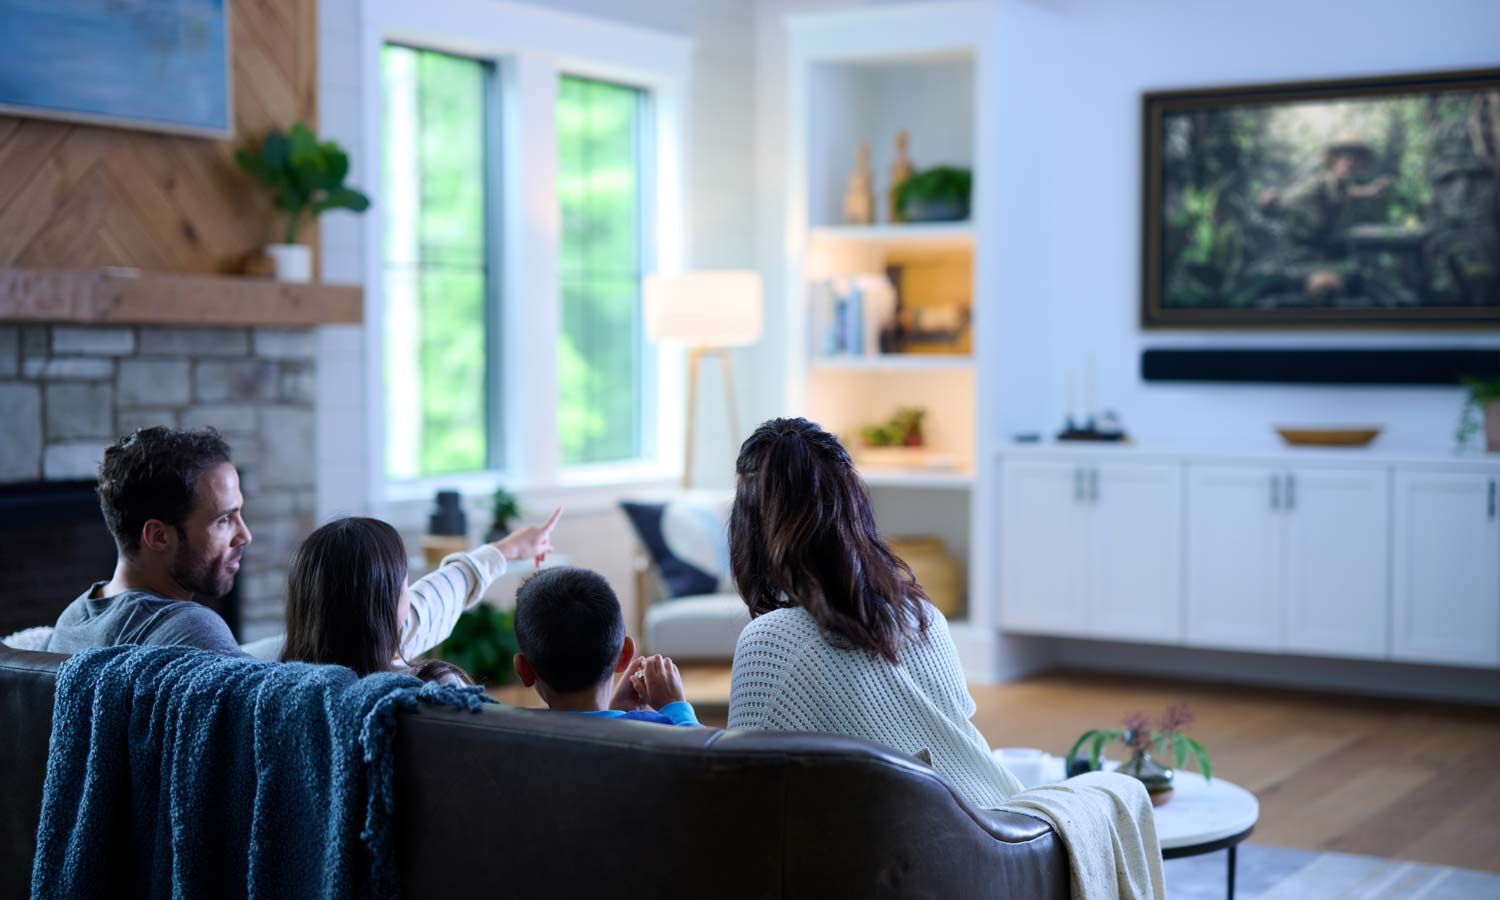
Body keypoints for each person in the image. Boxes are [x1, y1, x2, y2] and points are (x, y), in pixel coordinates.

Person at [725, 417, 1023, 809]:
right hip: (1006, 821)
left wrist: (678, 716)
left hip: (941, 856)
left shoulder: (771, 640)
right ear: (855, 510)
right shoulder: (923, 615)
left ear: (749, 524)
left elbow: (736, 793)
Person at [280, 511, 560, 685]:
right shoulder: (432, 689)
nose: (411, 593)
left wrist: (507, 549)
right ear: (385, 609)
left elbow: (437, 597)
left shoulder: (282, 682)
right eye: (404, 585)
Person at [47, 427, 252, 655]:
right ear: (158, 536)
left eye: (238, 514)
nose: (245, 536)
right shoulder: (190, 629)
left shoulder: (72, 619)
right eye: (223, 520)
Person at [512, 566, 700, 726]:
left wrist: (615, 710)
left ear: (523, 670)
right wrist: (676, 707)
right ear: (625, 655)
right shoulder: (659, 730)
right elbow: (708, 759)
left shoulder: (513, 734)